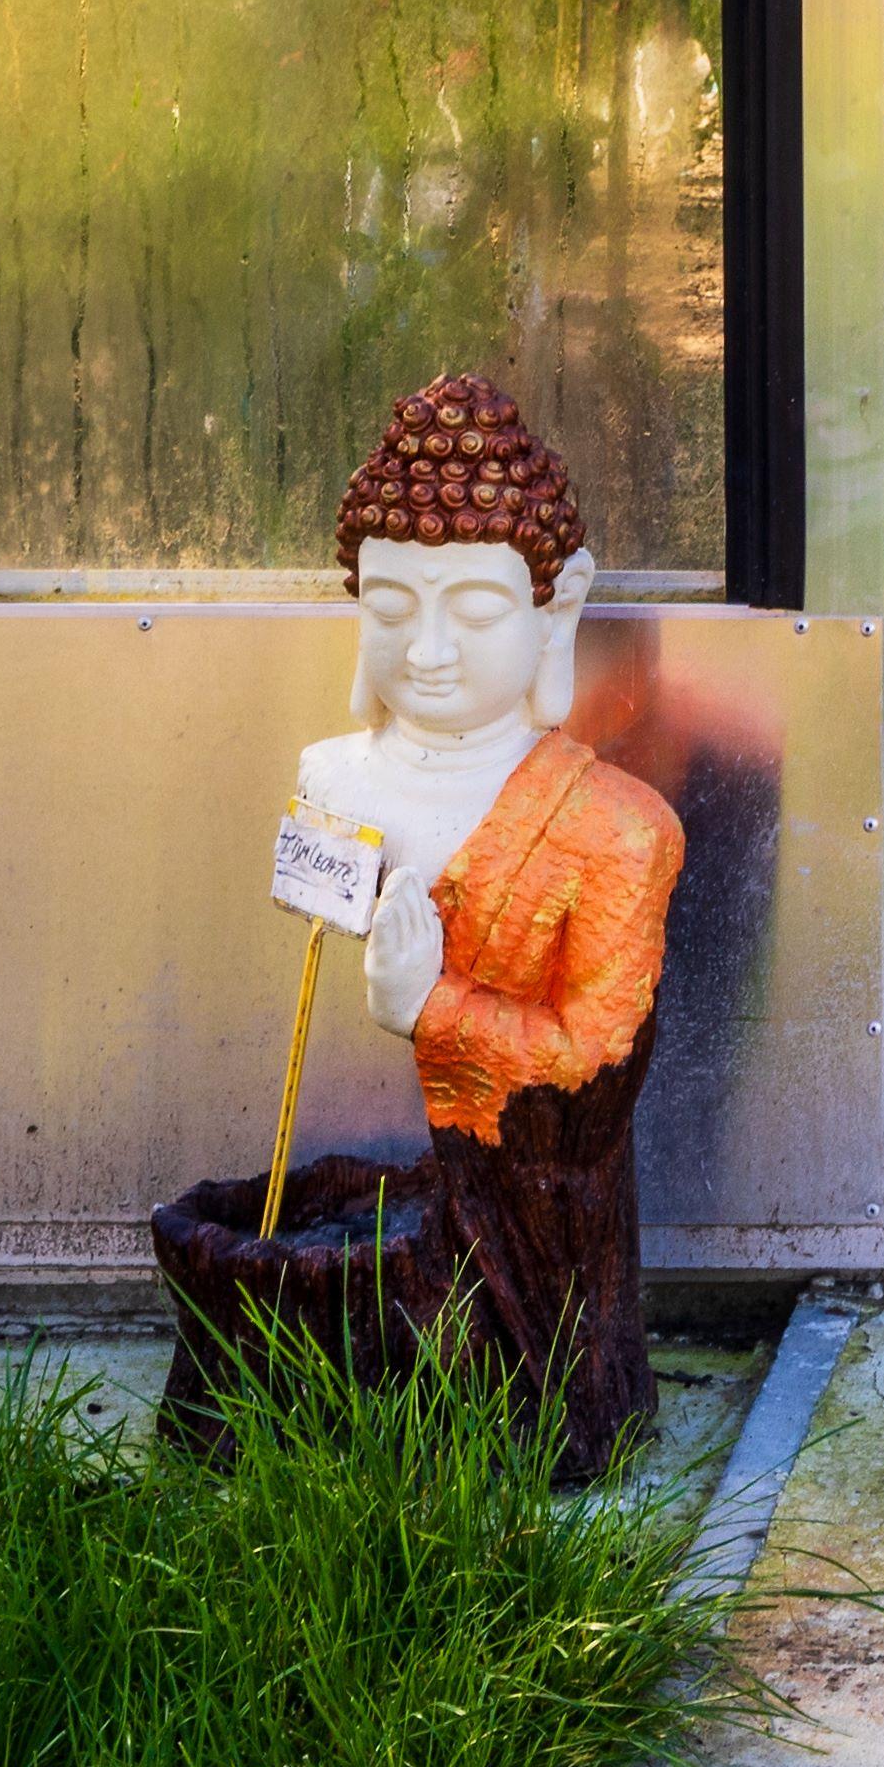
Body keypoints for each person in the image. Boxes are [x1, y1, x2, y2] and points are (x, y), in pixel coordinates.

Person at [290, 375, 682, 1466]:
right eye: (390, 609)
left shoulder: (618, 830)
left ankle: (543, 1425)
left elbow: (593, 1068)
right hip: (409, 1191)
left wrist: (431, 1008)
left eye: (471, 612)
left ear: (556, 609)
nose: (426, 651)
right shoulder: (332, 781)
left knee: (526, 1373)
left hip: (543, 1218)